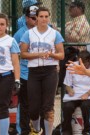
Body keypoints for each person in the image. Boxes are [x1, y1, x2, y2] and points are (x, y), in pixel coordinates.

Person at [20, 7, 64, 135]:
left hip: (50, 71)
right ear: (36, 18)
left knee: (48, 107)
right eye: (41, 16)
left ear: (49, 18)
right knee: (33, 108)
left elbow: (61, 55)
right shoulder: (28, 33)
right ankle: (37, 128)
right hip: (34, 71)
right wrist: (39, 54)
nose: (44, 19)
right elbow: (23, 54)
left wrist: (51, 54)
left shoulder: (55, 34)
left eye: (46, 16)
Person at [62, 51, 90, 135]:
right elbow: (67, 84)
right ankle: (66, 131)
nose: (82, 66)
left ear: (89, 61)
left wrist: (87, 94)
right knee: (67, 106)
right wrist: (69, 90)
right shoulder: (72, 66)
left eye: (85, 64)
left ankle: (87, 131)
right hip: (75, 95)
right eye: (80, 63)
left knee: (86, 105)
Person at [13, 5, 38, 135]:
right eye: (33, 18)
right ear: (27, 18)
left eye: (37, 17)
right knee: (25, 104)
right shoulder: (20, 34)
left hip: (41, 73)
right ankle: (24, 131)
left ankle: (39, 130)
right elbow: (14, 55)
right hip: (25, 73)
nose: (36, 20)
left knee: (41, 104)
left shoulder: (47, 30)